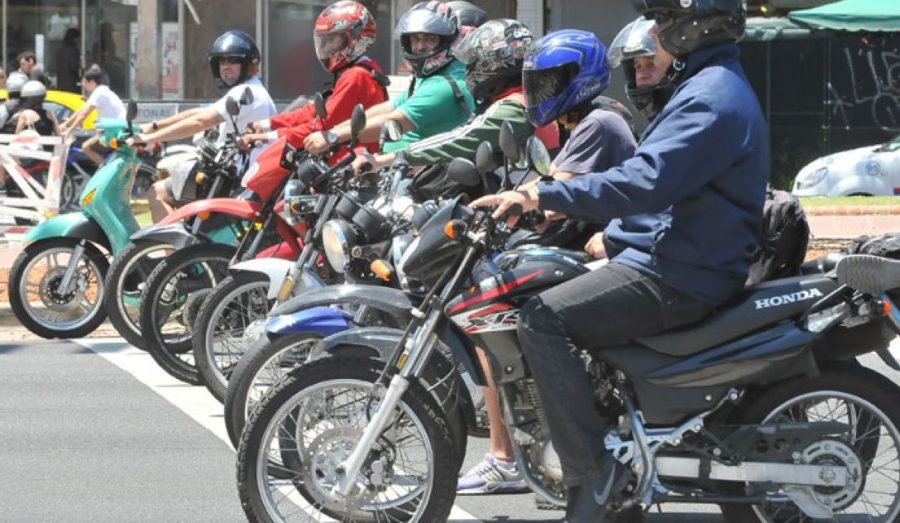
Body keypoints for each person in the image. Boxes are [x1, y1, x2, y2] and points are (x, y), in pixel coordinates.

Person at [472, 0, 766, 520]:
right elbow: (666, 189)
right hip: (679, 256)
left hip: (679, 272)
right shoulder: (707, 84)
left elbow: (644, 182)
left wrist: (543, 198)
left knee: (543, 319)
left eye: (666, 18)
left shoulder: (709, 96)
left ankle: (594, 477)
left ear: (698, 23)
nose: (657, 29)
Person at [128, 30, 276, 222]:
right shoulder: (250, 90)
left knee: (158, 192)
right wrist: (152, 126)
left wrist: (148, 139)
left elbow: (201, 122)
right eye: (222, 62)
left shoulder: (245, 92)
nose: (226, 67)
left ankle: (175, 251)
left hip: (235, 180)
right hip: (233, 176)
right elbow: (199, 113)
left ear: (248, 65)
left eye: (232, 61)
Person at [303, 1, 475, 157]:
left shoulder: (443, 85)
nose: (420, 46)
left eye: (430, 39)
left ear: (446, 41)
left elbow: (393, 122)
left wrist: (333, 137)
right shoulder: (428, 78)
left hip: (426, 180)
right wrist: (334, 131)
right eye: (415, 39)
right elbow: (389, 108)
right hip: (400, 169)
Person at [239, 1, 388, 152]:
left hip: (351, 165)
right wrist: (265, 124)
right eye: (324, 41)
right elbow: (315, 112)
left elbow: (321, 129)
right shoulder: (360, 70)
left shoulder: (356, 76)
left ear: (355, 39)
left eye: (333, 40)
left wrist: (265, 138)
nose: (326, 47)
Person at [59, 65, 126, 165]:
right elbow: (82, 110)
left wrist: (69, 130)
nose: (82, 84)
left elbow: (84, 115)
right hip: (116, 131)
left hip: (113, 133)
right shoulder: (103, 91)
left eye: (84, 81)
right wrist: (66, 124)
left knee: (86, 147)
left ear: (92, 82)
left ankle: (106, 173)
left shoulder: (99, 93)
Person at [56, 28, 82, 93]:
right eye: (78, 38)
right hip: (71, 84)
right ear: (74, 38)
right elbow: (74, 66)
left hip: (60, 82)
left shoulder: (60, 50)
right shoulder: (73, 50)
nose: (79, 40)